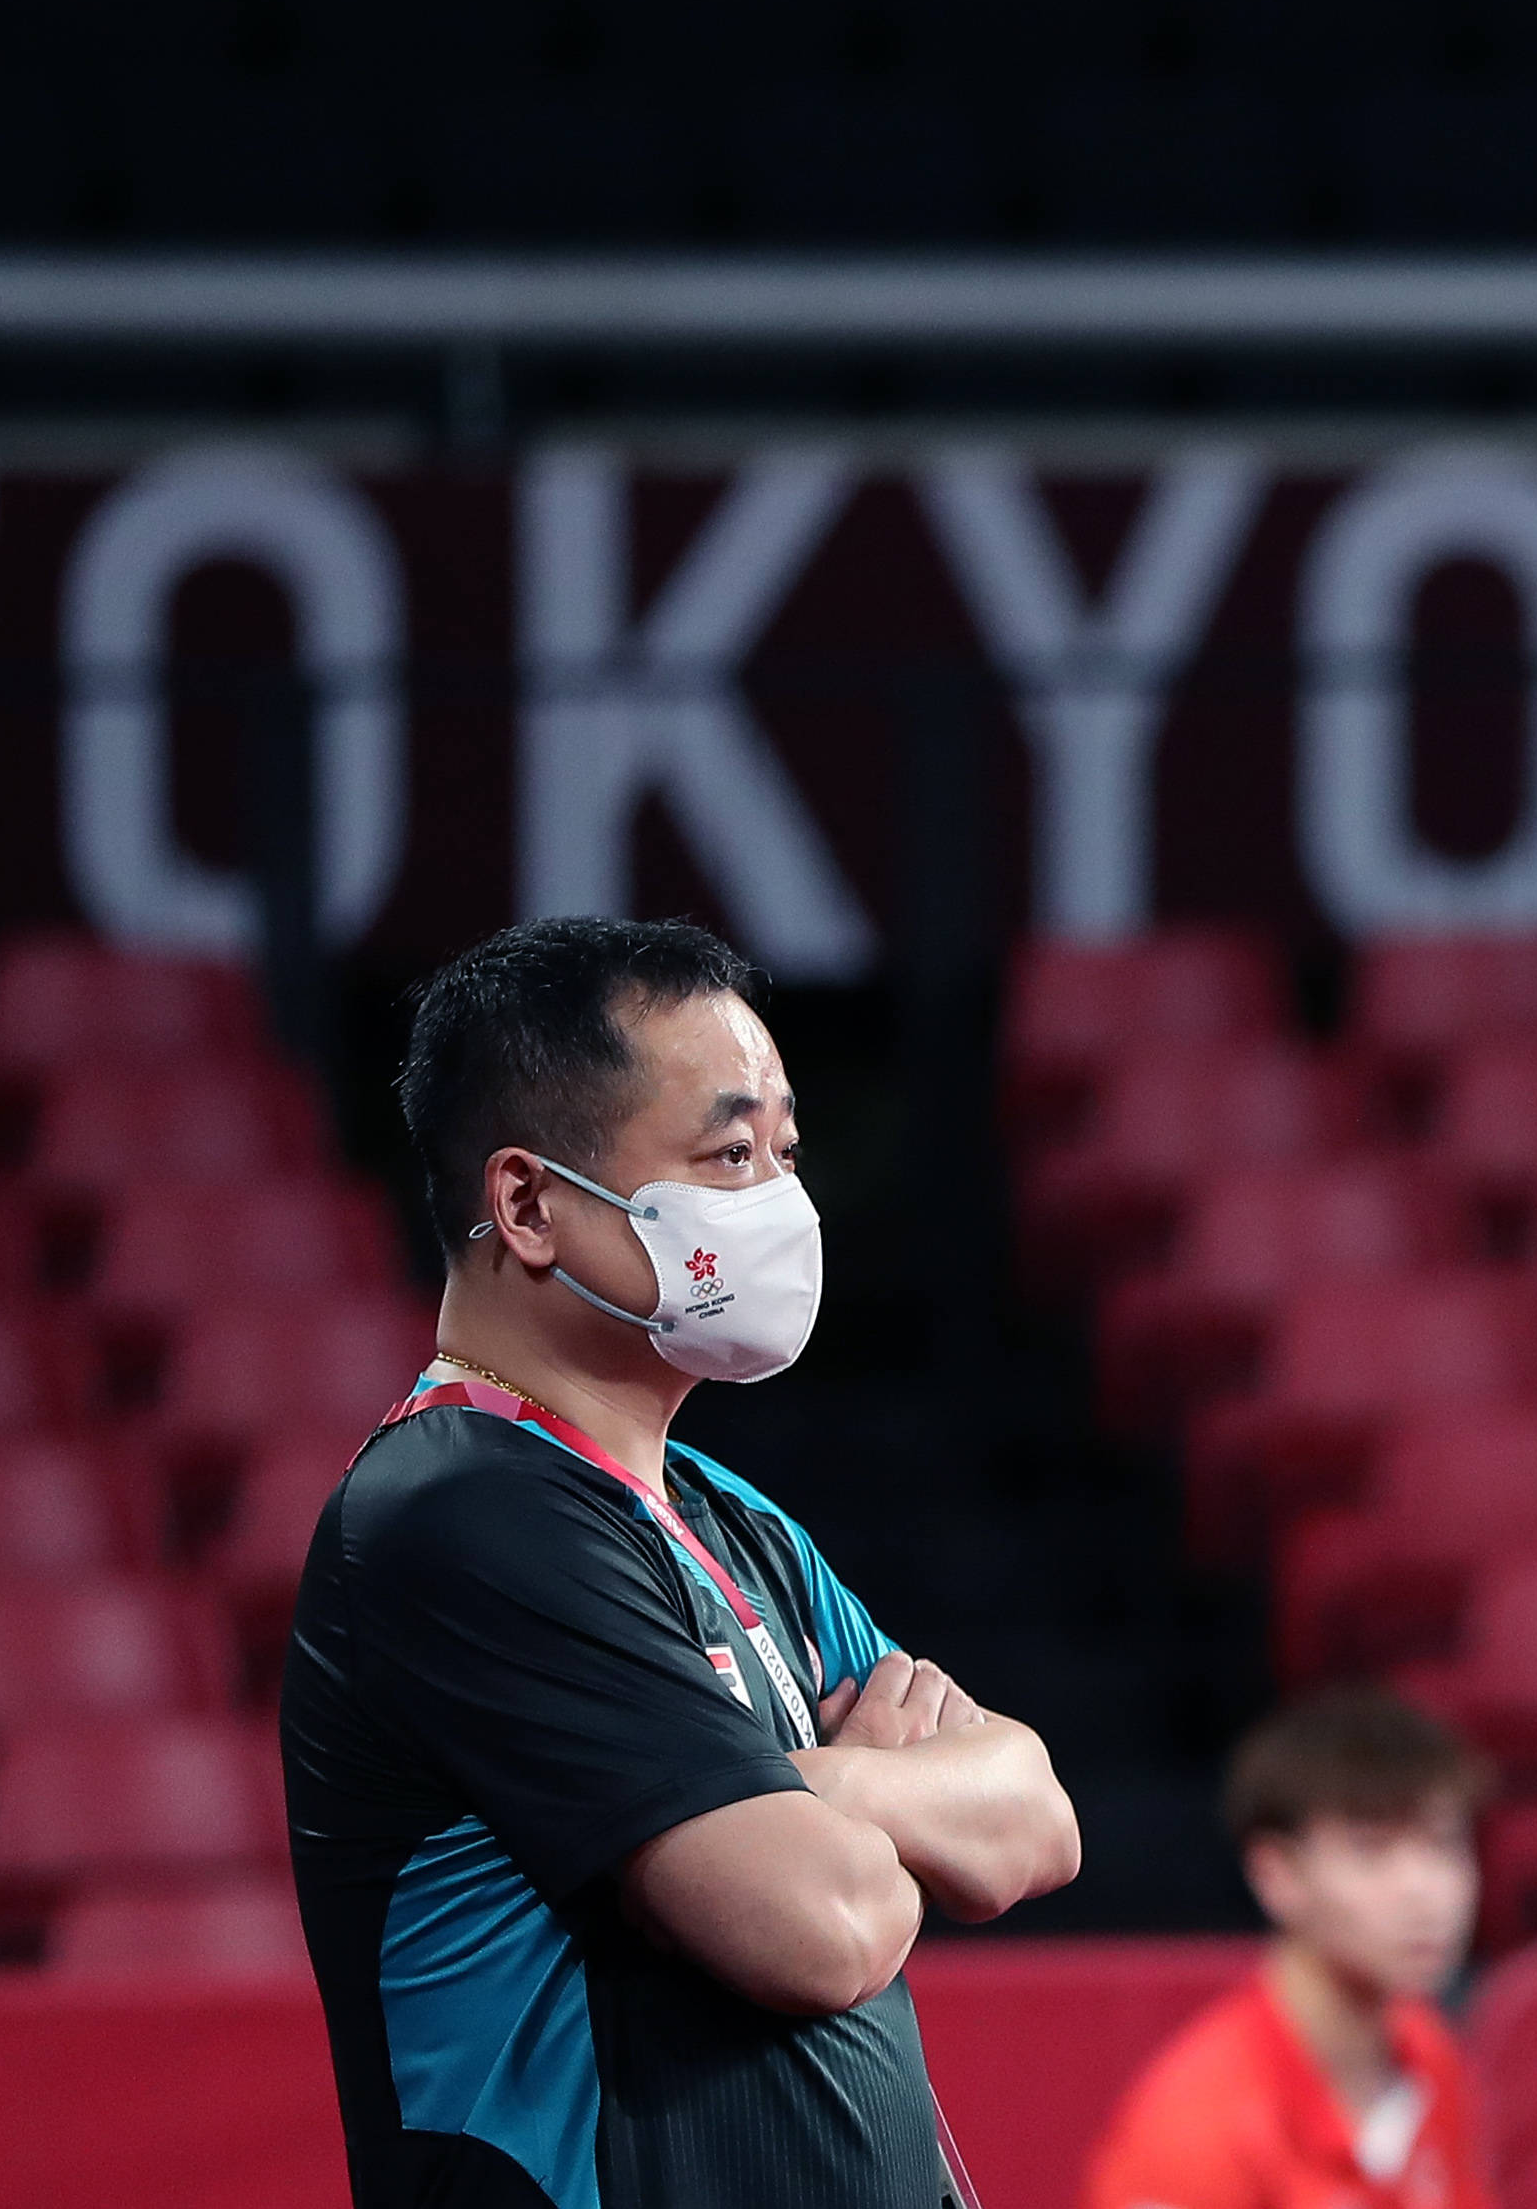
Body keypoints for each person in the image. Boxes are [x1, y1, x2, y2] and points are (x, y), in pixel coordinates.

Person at [284, 914, 1081, 2209]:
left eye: (784, 1151)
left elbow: (1034, 1822)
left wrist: (793, 1785)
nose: (779, 1200)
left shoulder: (726, 1513)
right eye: (726, 1154)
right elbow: (829, 1926)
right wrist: (869, 1794)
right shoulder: (459, 1513)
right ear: (529, 1203)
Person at [1084, 1690, 1497, 2209]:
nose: (1424, 1890)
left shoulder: (1435, 2059)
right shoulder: (1195, 2123)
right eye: (1371, 1849)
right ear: (1276, 1873)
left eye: (1444, 1844)